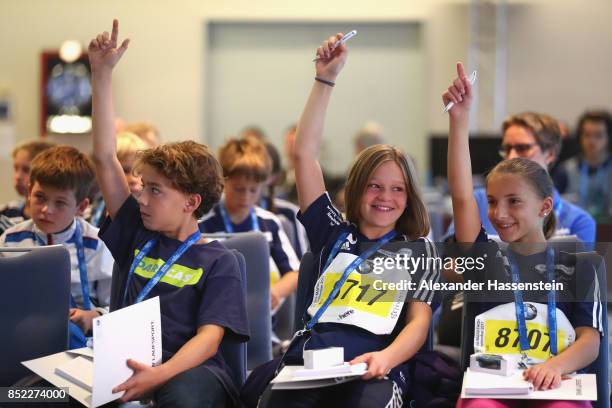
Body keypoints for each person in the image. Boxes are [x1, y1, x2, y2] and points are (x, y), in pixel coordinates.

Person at [246, 32, 439, 408]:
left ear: (410, 196)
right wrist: (325, 79)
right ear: (355, 189)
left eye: (397, 189)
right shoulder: (333, 233)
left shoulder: (419, 250)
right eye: (374, 186)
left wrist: (387, 358)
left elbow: (419, 324)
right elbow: (304, 155)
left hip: (376, 368)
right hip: (310, 363)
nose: (385, 198)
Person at [89, 20, 249, 407]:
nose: (140, 198)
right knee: (26, 391)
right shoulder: (137, 233)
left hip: (188, 373)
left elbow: (209, 340)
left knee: (180, 398)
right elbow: (103, 158)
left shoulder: (218, 261)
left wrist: (156, 377)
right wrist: (101, 74)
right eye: (142, 186)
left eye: (155, 190)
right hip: (123, 363)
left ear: (190, 202)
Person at [445, 63, 602, 408]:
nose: (499, 214)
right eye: (492, 202)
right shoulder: (486, 257)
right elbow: (459, 195)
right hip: (494, 385)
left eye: (514, 202)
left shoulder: (579, 265)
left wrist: (556, 365)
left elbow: (590, 339)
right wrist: (460, 120)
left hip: (554, 382)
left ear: (545, 207)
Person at [0, 145, 114, 347]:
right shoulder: (10, 239)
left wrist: (93, 315)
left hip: (78, 340)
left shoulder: (97, 243)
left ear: (81, 207)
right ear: (29, 192)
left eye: (60, 203)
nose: (46, 209)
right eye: (40, 197)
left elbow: (114, 305)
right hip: (19, 334)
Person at [446, 112, 596, 244]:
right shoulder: (478, 200)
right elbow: (455, 261)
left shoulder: (579, 221)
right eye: (507, 149)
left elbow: (578, 270)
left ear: (550, 153)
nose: (511, 156)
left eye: (523, 148)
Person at [199, 136, 300, 313]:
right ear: (223, 182)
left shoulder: (270, 224)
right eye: (238, 189)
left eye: (253, 190)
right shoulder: (203, 223)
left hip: (259, 315)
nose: (246, 197)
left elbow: (294, 273)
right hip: (215, 310)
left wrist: (275, 293)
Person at [555, 110, 612, 223]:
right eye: (587, 135)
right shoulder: (565, 170)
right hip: (574, 232)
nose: (592, 141)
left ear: (609, 137)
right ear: (579, 137)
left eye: (598, 135)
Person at [0, 140, 56, 227]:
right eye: (16, 168)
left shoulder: (64, 218)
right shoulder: (5, 213)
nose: (18, 177)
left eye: (26, 170)